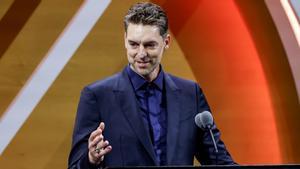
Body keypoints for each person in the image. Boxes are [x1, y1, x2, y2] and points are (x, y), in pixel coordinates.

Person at [68, 2, 235, 169]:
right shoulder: (97, 96)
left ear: (166, 42)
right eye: (134, 44)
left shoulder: (190, 94)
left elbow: (220, 162)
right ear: (124, 40)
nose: (141, 54)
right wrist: (91, 159)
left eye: (149, 45)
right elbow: (75, 166)